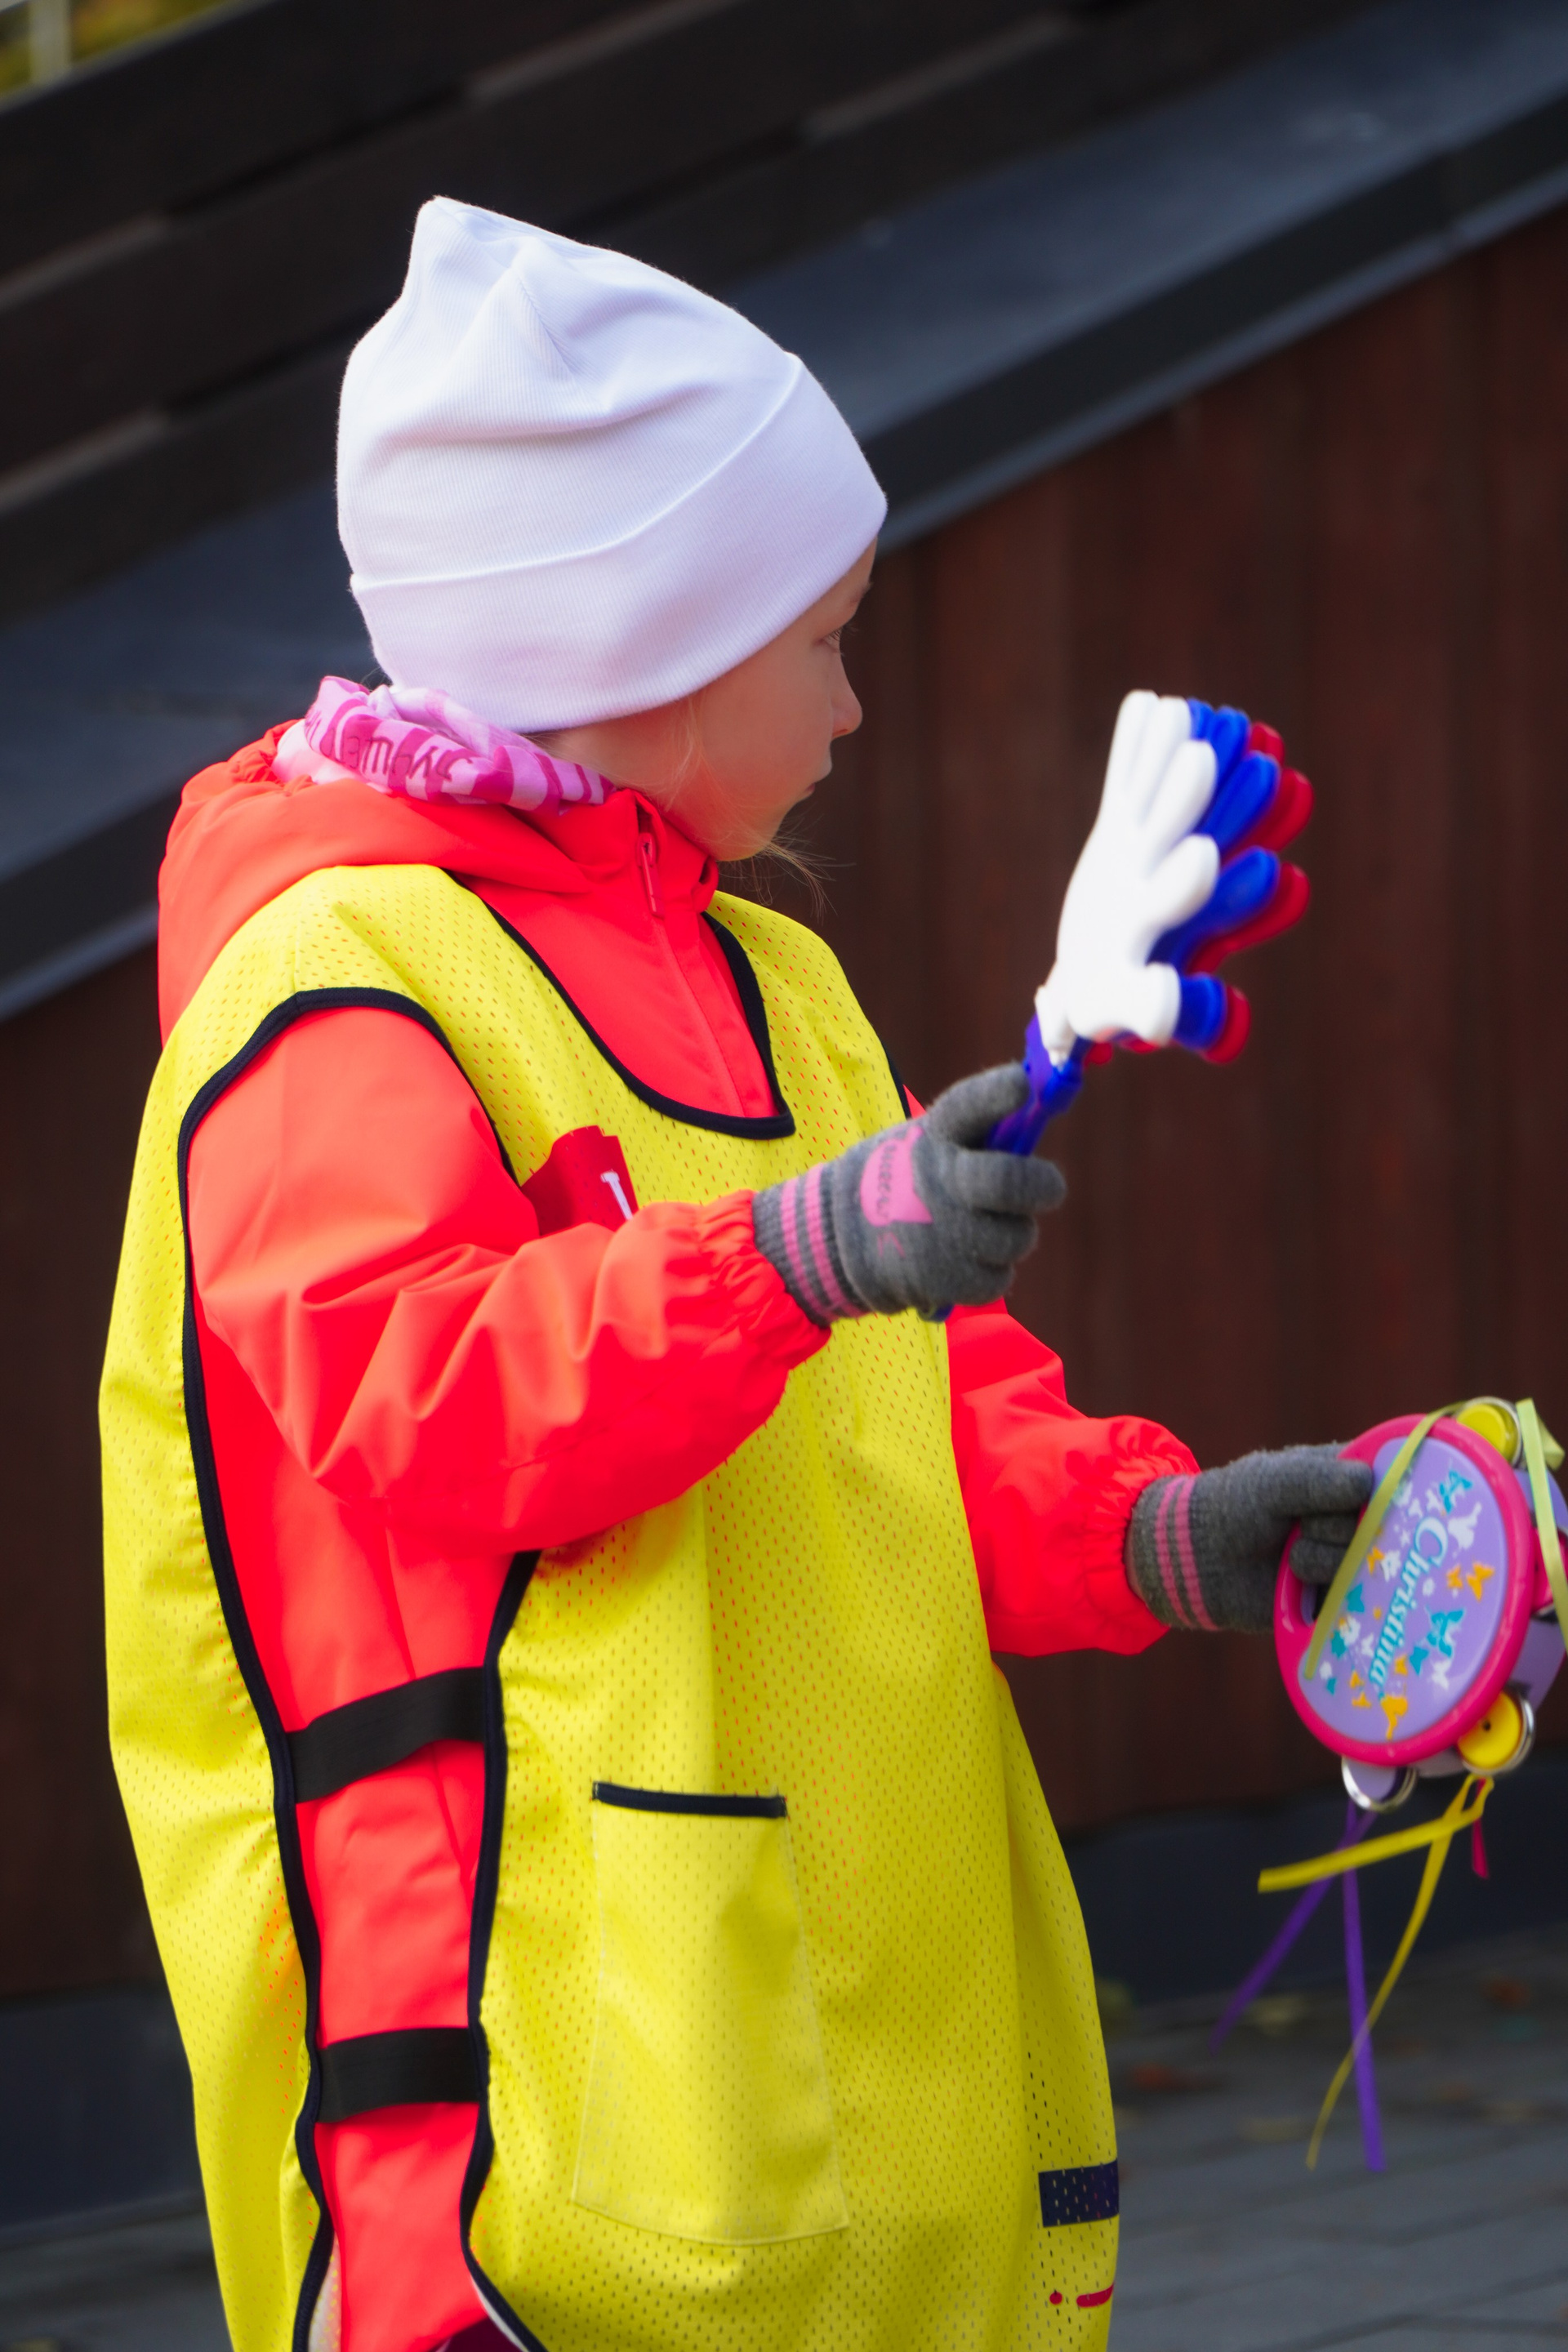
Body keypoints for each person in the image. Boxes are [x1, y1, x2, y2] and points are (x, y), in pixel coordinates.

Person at [100, 199, 1370, 2352]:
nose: (858, 707)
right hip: (530, 2102)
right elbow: (420, 1393)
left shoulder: (782, 987)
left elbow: (917, 1435)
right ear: (641, 652)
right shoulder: (338, 974)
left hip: (855, 2072)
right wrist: (795, 1255)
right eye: (823, 641)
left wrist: (1166, 1533)